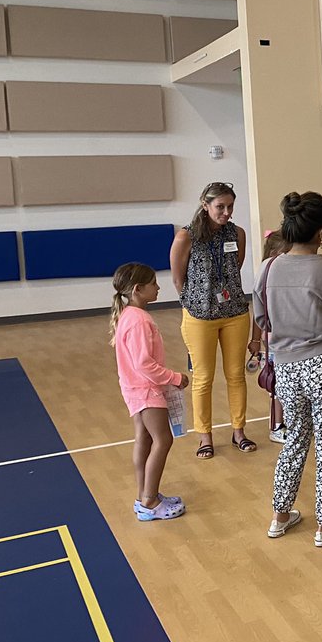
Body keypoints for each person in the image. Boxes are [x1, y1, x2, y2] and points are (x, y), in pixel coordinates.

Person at [255, 192, 322, 547]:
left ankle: (280, 515)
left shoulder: (269, 268)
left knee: (295, 437)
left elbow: (261, 318)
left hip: (285, 366)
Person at [170, 182, 254, 459]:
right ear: (205, 205)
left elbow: (235, 267)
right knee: (203, 379)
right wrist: (195, 301)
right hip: (199, 315)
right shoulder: (187, 236)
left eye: (230, 206)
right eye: (220, 207)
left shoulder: (237, 234)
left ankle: (238, 431)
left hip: (234, 313)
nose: (226, 212)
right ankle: (204, 437)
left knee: (236, 375)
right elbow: (177, 278)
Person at [110, 262, 189, 521]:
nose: (158, 287)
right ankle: (150, 501)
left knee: (144, 439)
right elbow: (144, 363)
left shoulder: (129, 316)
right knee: (162, 440)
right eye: (153, 283)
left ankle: (144, 495)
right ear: (138, 289)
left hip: (135, 388)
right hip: (146, 390)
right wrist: (175, 378)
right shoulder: (139, 321)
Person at [252, 229, 290, 443]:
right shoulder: (265, 276)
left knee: (286, 384)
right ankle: (277, 425)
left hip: (286, 338)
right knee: (277, 385)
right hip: (274, 339)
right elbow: (258, 314)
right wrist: (257, 340)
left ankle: (289, 422)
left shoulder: (285, 276)